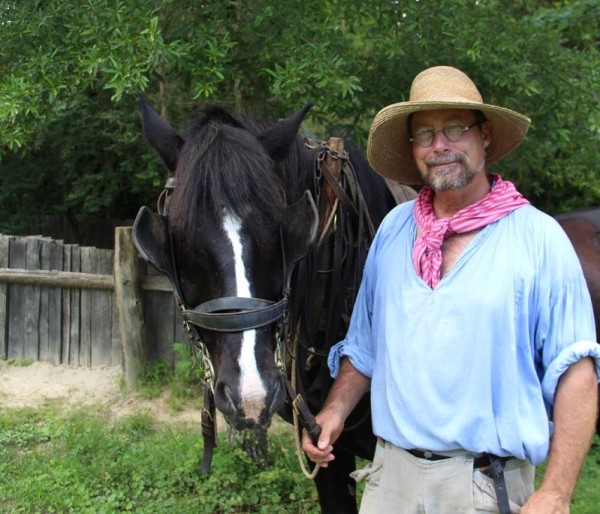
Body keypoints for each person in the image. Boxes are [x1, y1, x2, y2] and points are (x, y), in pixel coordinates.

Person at [301, 66, 600, 513]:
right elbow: (365, 349)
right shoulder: (394, 231)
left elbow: (576, 372)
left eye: (455, 129)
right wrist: (335, 410)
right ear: (414, 150)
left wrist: (555, 493)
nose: (440, 145)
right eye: (425, 134)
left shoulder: (537, 237)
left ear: (484, 137)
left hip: (485, 485)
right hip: (390, 483)